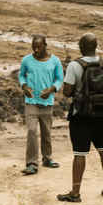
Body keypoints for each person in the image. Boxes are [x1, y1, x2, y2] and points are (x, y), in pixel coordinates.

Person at [58, 31, 103, 202]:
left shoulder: (74, 66)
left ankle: (75, 193)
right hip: (102, 115)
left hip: (81, 115)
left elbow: (67, 92)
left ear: (82, 47)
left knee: (80, 154)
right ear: (95, 47)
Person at [18, 33, 65, 176]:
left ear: (45, 46)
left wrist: (52, 89)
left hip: (47, 102)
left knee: (46, 133)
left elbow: (60, 78)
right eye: (34, 47)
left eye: (38, 47)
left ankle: (47, 159)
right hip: (31, 102)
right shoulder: (26, 60)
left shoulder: (55, 61)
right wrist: (24, 87)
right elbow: (21, 75)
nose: (36, 50)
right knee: (32, 131)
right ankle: (32, 164)